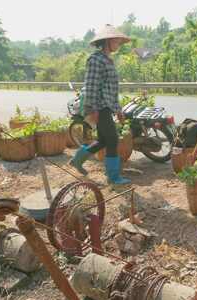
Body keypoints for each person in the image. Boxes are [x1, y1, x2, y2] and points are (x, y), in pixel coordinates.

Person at [69, 25, 131, 185]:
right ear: (107, 41)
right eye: (116, 40)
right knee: (113, 140)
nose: (118, 43)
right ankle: (113, 177)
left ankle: (77, 159)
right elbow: (91, 86)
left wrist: (118, 110)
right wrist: (94, 109)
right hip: (99, 107)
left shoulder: (108, 60)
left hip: (106, 106)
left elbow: (110, 89)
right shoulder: (96, 59)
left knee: (104, 140)